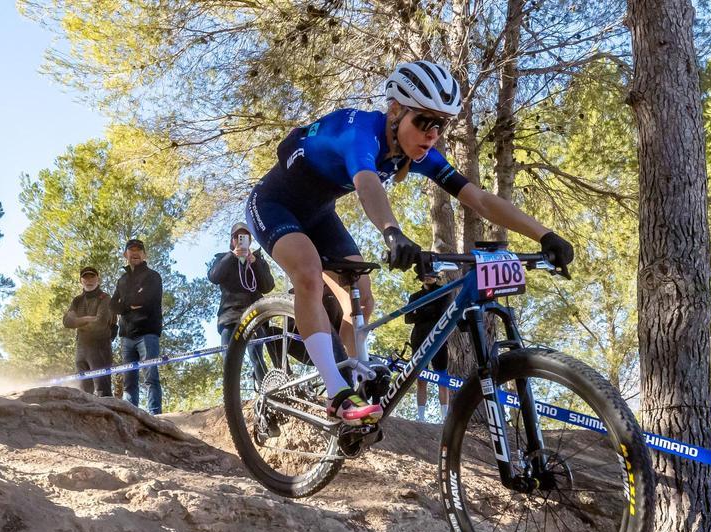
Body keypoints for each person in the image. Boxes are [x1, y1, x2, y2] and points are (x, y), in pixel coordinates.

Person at [245, 60, 575, 425]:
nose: (432, 133)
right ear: (396, 110)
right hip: (272, 205)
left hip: (318, 213)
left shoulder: (417, 154)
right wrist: (391, 231)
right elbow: (366, 183)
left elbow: (478, 198)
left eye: (440, 124)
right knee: (307, 272)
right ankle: (336, 393)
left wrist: (544, 234)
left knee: (362, 298)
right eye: (423, 121)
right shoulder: (361, 133)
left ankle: (353, 380)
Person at [208, 220, 274, 382]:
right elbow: (214, 276)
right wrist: (232, 256)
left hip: (255, 315)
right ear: (232, 241)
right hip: (229, 317)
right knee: (229, 360)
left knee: (257, 357)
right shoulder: (222, 258)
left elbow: (267, 286)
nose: (240, 240)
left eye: (244, 237)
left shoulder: (258, 260)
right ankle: (231, 400)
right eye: (237, 237)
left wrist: (255, 263)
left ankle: (266, 394)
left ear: (250, 240)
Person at [110, 238, 164, 415]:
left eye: (139, 250)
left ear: (144, 254)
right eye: (131, 250)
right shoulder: (122, 280)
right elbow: (112, 305)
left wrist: (125, 304)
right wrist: (129, 305)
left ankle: (155, 415)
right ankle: (130, 416)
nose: (135, 253)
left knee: (151, 376)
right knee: (129, 381)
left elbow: (147, 300)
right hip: (126, 335)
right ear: (125, 255)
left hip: (148, 333)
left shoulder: (153, 276)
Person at [62, 266, 116, 397]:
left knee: (103, 391)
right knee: (84, 392)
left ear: (98, 279)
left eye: (92, 277)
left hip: (100, 347)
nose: (89, 280)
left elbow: (101, 323)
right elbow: (66, 322)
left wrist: (78, 322)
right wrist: (87, 318)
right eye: (85, 277)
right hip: (81, 348)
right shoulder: (77, 300)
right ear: (81, 280)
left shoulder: (105, 298)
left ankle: (107, 416)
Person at [405, 270, 451, 423]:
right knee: (421, 378)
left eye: (432, 273)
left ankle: (445, 418)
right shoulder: (414, 296)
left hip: (439, 338)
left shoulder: (444, 292)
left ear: (437, 275)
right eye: (426, 272)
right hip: (418, 339)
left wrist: (421, 312)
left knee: (442, 378)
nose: (428, 275)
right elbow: (408, 318)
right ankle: (421, 417)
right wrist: (429, 312)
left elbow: (442, 313)